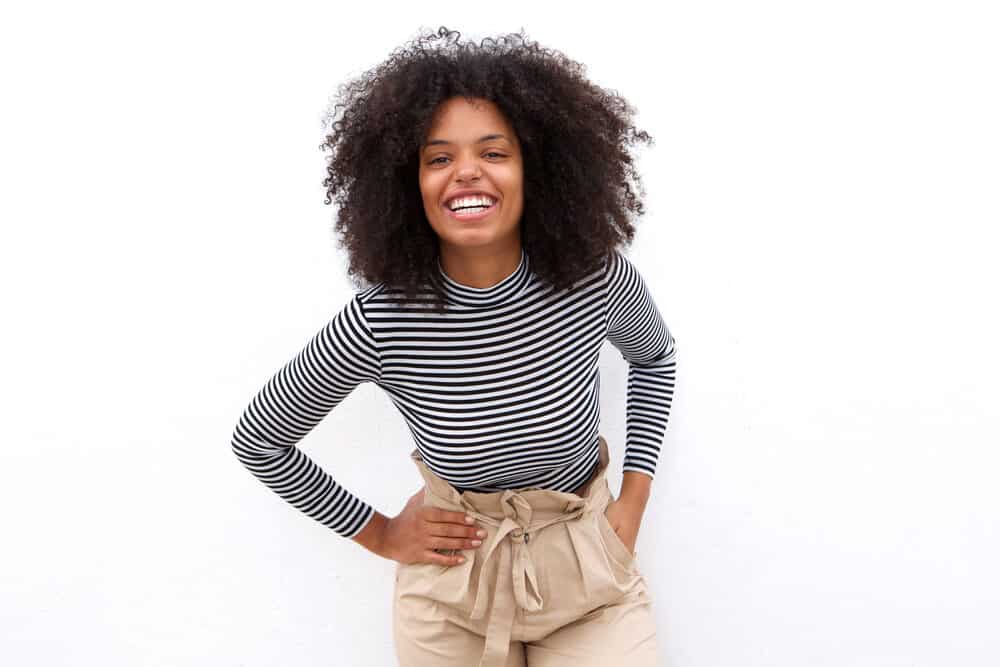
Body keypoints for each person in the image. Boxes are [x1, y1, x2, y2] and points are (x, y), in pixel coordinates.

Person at [231, 26, 677, 666]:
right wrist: (381, 533)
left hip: (589, 570)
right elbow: (260, 439)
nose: (465, 171)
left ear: (537, 169)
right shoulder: (381, 320)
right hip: (452, 590)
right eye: (438, 158)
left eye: (493, 152)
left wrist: (634, 499)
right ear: (406, 184)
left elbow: (653, 358)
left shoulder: (593, 280)